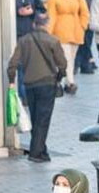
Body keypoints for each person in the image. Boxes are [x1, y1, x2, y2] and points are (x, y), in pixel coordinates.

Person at [6, 13, 66, 163]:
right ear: (46, 24)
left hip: (30, 85)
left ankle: (41, 150)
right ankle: (36, 153)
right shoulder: (53, 41)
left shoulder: (23, 41)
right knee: (43, 120)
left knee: (35, 118)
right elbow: (63, 64)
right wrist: (59, 77)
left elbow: (12, 64)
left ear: (34, 24)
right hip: (47, 84)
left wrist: (12, 81)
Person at [46, 0, 89, 95]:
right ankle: (70, 82)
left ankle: (62, 80)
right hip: (61, 31)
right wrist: (48, 34)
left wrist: (83, 25)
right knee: (66, 58)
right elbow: (51, 16)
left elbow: (85, 11)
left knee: (72, 58)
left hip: (76, 31)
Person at [15, 0, 46, 101]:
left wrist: (32, 11)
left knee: (28, 65)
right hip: (15, 33)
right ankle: (23, 95)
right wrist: (18, 11)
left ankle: (27, 94)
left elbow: (42, 10)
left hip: (30, 33)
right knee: (19, 65)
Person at [71, 0, 99, 75]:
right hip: (76, 15)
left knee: (88, 39)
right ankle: (82, 64)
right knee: (80, 40)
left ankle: (84, 63)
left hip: (90, 14)